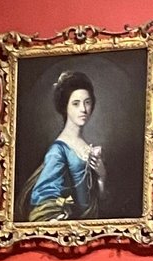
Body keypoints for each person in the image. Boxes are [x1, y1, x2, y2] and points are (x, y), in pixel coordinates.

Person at [19, 69, 104, 221]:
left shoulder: (86, 146)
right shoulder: (58, 150)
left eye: (87, 102)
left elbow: (97, 199)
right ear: (65, 107)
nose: (83, 109)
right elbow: (45, 197)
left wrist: (102, 176)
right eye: (76, 104)